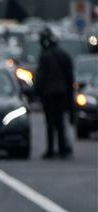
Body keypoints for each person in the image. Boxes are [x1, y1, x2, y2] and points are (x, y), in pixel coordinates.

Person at [34, 27, 75, 159]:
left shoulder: (45, 56)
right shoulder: (63, 54)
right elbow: (70, 76)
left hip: (49, 93)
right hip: (62, 92)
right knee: (60, 121)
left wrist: (36, 92)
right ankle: (62, 148)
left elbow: (40, 76)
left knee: (50, 122)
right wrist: (70, 93)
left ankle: (51, 149)